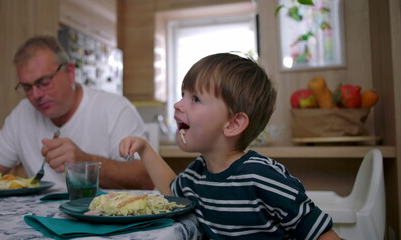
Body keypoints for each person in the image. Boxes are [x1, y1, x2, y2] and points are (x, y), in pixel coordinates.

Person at [119, 53, 340, 239]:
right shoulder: (198, 174)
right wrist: (145, 148)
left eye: (195, 99)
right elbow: (170, 190)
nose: (178, 104)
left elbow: (321, 234)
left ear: (233, 124)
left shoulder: (263, 177)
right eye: (182, 95)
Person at [0, 35, 154, 190]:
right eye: (27, 87)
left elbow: (145, 177)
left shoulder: (115, 109)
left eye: (44, 83)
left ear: (70, 73)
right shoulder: (22, 114)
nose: (36, 95)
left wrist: (84, 162)